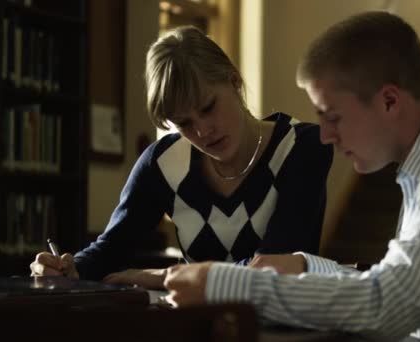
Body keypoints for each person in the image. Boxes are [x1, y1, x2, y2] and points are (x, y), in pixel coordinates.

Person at [160, 11, 420, 341]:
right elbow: (395, 283)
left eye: (333, 117)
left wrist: (225, 284)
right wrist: (305, 266)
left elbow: (387, 307)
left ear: (387, 101)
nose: (325, 136)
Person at [29, 26, 333, 288]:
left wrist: (165, 276)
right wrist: (70, 269)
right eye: (184, 123)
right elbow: (111, 250)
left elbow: (274, 270)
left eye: (208, 107)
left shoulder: (302, 147)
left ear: (234, 82)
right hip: (191, 327)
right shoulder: (163, 162)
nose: (202, 131)